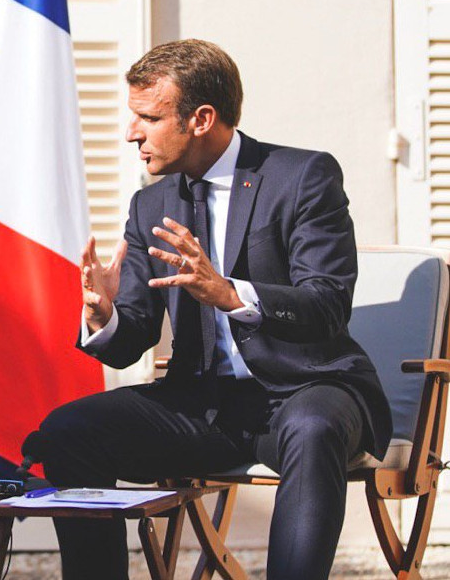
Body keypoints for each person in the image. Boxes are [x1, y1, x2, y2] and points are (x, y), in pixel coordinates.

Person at [36, 40, 391, 580]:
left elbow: (327, 304)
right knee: (68, 431)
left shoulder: (302, 176)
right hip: (202, 404)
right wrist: (105, 316)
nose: (132, 133)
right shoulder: (151, 204)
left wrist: (231, 294)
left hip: (306, 389)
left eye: (149, 118)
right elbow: (132, 340)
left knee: (314, 427)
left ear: (201, 119)